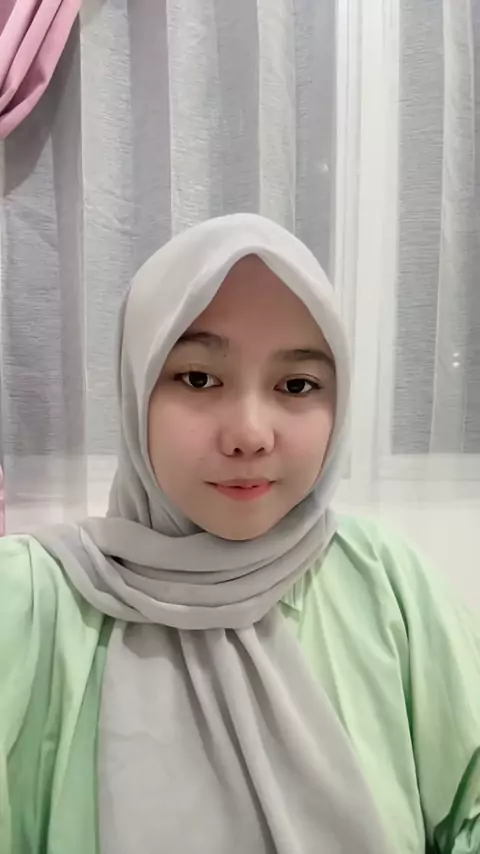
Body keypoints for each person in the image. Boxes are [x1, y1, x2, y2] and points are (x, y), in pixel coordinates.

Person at [1, 214, 479, 854]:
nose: (250, 434)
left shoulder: (390, 585)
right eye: (198, 378)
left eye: (297, 385)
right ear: (136, 388)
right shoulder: (29, 605)